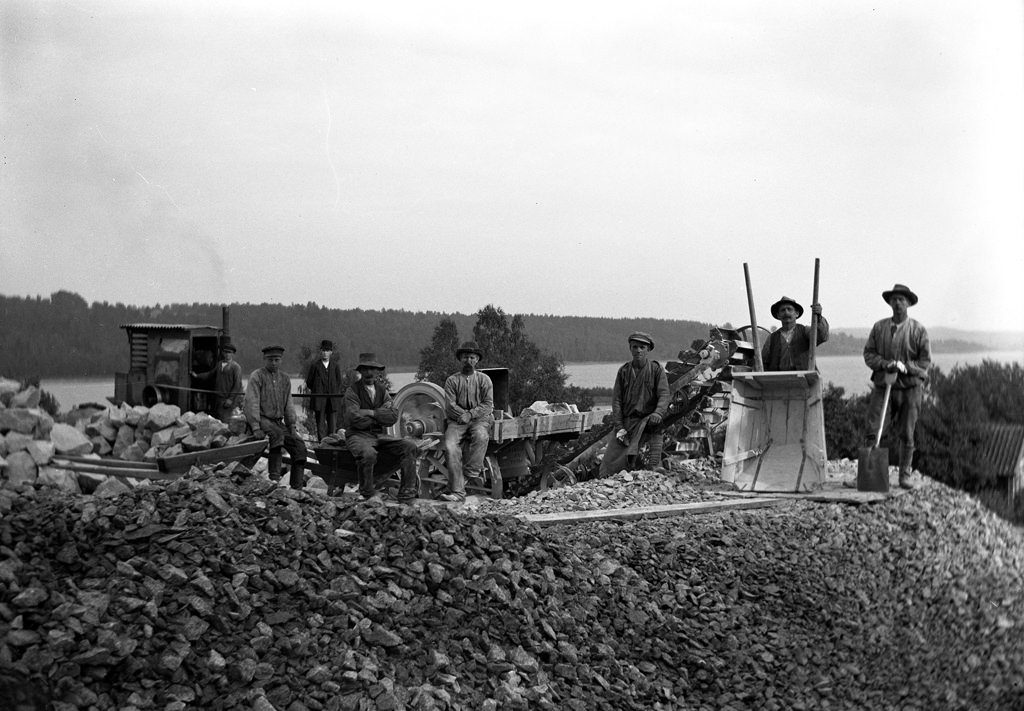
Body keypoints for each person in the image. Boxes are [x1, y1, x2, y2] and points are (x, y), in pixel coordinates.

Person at [863, 283, 931, 489]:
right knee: (874, 428)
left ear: (908, 303)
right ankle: (869, 475)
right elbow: (869, 354)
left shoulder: (918, 330)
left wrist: (906, 367)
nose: (898, 303)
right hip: (884, 384)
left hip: (910, 387)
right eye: (894, 299)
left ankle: (905, 474)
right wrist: (885, 364)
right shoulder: (879, 327)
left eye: (902, 299)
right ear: (890, 302)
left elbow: (925, 362)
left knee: (907, 431)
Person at [342, 353, 420, 502]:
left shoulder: (382, 391)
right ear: (360, 371)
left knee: (409, 446)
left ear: (377, 372)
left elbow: (392, 416)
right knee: (368, 454)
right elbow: (354, 419)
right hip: (357, 435)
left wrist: (371, 413)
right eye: (366, 369)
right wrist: (380, 417)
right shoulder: (352, 391)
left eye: (373, 369)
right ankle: (367, 492)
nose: (370, 373)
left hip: (379, 435)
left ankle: (407, 492)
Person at [599, 331, 670, 476]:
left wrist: (658, 412)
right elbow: (617, 400)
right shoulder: (624, 371)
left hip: (647, 421)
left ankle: (653, 466)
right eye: (635, 347)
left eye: (642, 347)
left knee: (655, 434)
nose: (638, 350)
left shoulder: (656, 370)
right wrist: (619, 426)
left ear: (648, 350)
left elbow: (664, 394)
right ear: (630, 348)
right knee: (609, 464)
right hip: (627, 422)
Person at [243, 345, 308, 489]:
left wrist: (291, 425)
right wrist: (255, 426)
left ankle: (297, 487)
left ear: (281, 360)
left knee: (299, 446)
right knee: (277, 435)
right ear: (264, 359)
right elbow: (251, 402)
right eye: (270, 360)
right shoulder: (257, 376)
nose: (274, 363)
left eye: (277, 360)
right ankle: (274, 479)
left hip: (279, 421)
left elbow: (289, 404)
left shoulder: (285, 379)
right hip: (263, 418)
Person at [439, 341, 494, 502]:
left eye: (471, 357)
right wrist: (462, 415)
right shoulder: (452, 381)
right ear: (460, 359)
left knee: (481, 436)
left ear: (477, 360)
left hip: (480, 420)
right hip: (456, 421)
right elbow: (450, 405)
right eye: (464, 357)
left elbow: (488, 404)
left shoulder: (484, 380)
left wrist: (470, 415)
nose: (468, 361)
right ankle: (458, 492)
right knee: (450, 446)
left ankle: (469, 475)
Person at [761, 296, 829, 371]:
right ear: (778, 315)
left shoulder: (805, 331)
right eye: (783, 310)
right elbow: (763, 363)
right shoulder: (772, 338)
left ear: (796, 313)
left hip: (804, 379)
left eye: (789, 309)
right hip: (779, 380)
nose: (786, 312)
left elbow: (822, 336)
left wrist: (819, 317)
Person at [191, 341, 243, 423]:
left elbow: (237, 385)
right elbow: (210, 374)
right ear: (222, 353)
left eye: (229, 353)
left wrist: (230, 399)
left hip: (227, 400)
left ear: (232, 354)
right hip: (217, 398)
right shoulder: (219, 364)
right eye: (225, 352)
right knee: (217, 421)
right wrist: (197, 375)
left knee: (225, 421)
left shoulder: (236, 367)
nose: (227, 354)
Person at [305, 339, 344, 440]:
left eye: (327, 350)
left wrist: (333, 390)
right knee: (320, 425)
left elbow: (339, 382)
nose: (325, 353)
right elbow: (309, 382)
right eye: (323, 350)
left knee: (332, 426)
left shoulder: (335, 366)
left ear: (331, 352)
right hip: (319, 400)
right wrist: (318, 390)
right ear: (320, 351)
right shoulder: (315, 366)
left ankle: (332, 445)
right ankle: (322, 445)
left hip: (332, 399)